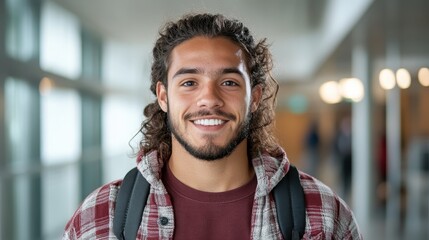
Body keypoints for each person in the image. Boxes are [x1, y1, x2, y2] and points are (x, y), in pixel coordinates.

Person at [63, 13, 362, 239]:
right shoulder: (101, 216)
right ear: (163, 97)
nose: (209, 99)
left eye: (229, 82)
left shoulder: (322, 215)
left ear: (254, 97)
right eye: (190, 82)